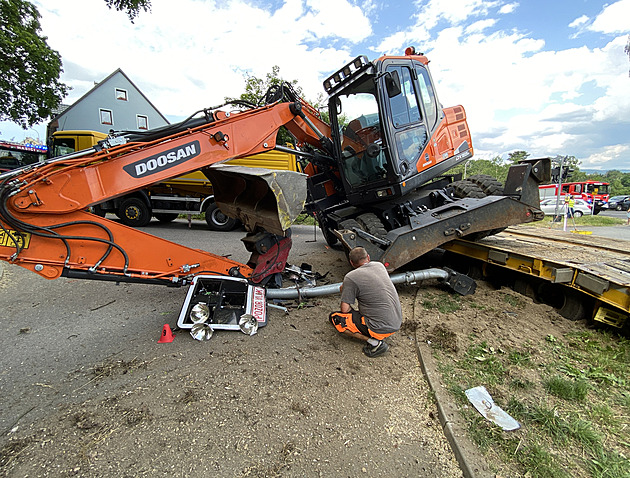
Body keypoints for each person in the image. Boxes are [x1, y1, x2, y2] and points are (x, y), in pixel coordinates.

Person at [329, 247, 403, 358]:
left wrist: (345, 291)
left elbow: (344, 310)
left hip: (379, 327)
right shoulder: (379, 266)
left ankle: (375, 343)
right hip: (396, 322)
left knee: (335, 318)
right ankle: (376, 333)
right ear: (368, 257)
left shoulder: (351, 277)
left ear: (351, 263)